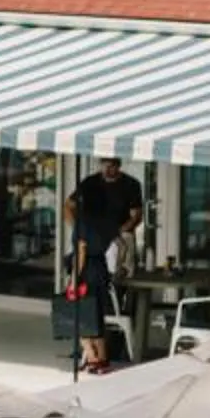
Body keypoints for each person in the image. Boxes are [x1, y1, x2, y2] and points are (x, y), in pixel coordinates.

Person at [60, 155, 146, 374]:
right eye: (105, 164)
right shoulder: (92, 190)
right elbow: (68, 206)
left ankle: (93, 355)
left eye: (112, 165)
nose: (109, 169)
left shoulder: (129, 186)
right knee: (100, 308)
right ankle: (102, 356)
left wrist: (74, 279)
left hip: (90, 267)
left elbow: (81, 252)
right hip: (103, 264)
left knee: (82, 314)